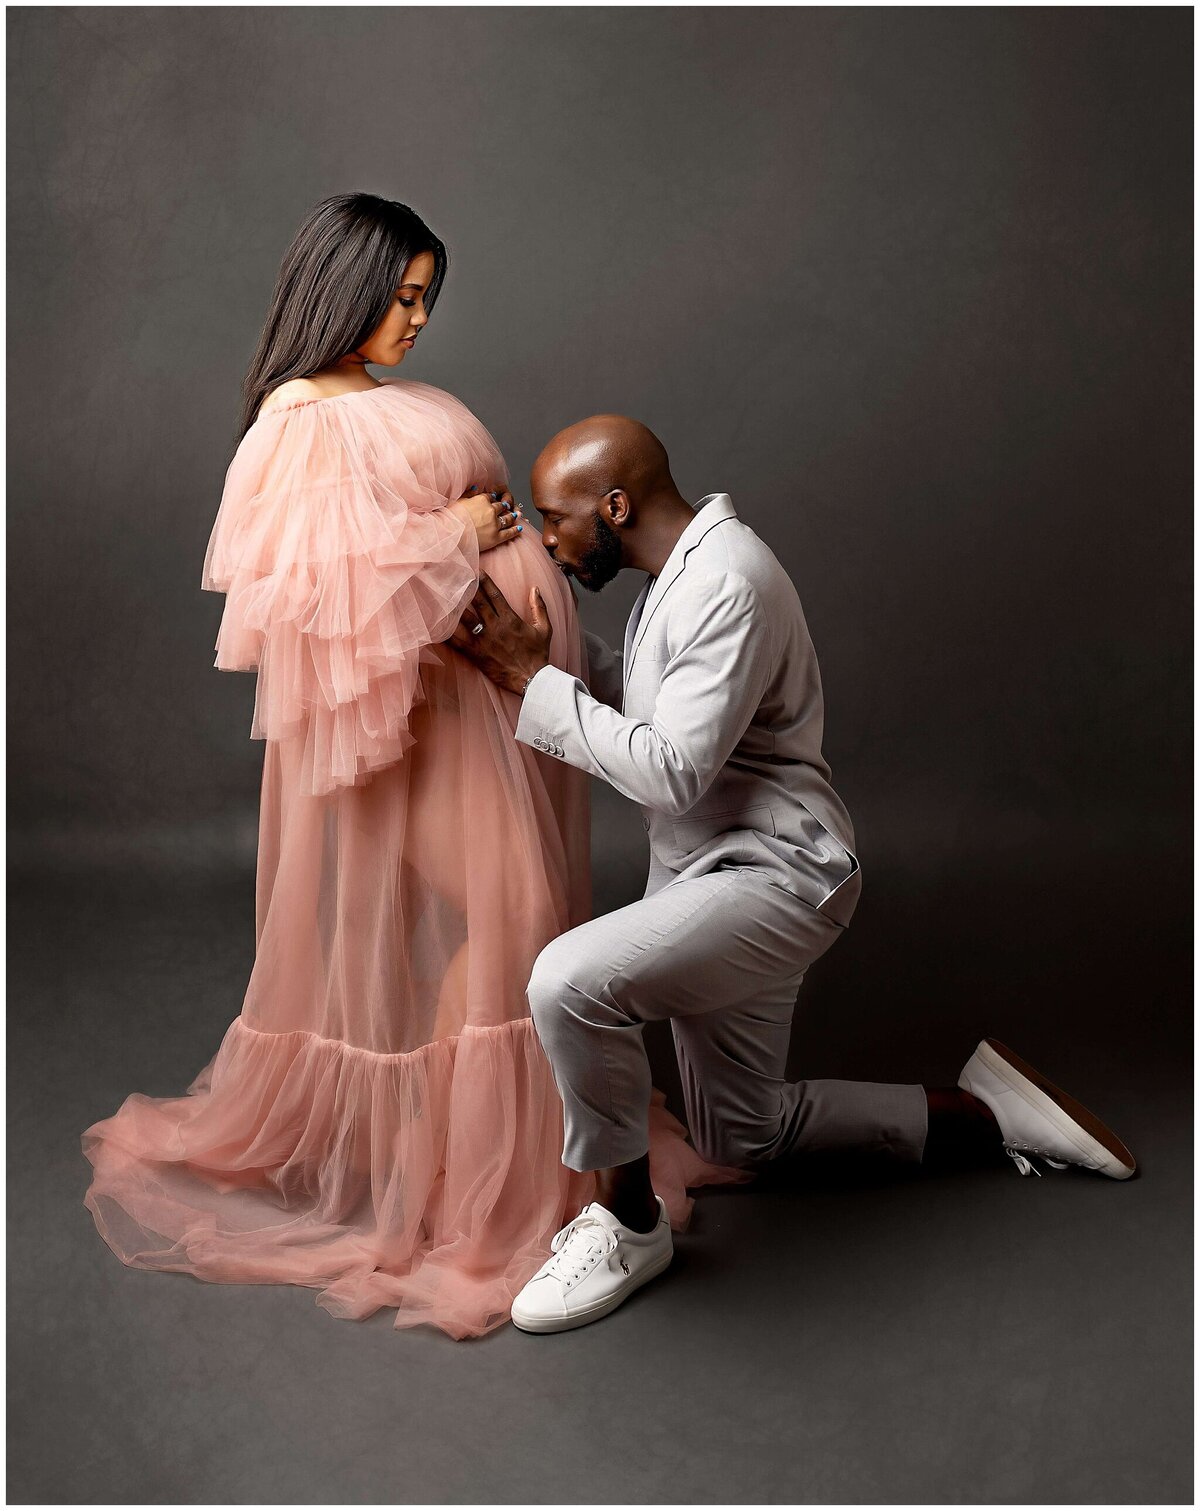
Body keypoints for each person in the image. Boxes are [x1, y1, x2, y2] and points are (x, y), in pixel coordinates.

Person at [79, 195, 744, 1341]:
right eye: (402, 295)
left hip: (493, 700)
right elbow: (310, 588)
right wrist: (460, 537)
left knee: (524, 918)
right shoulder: (297, 418)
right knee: (518, 916)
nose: (420, 317)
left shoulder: (380, 400)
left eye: (429, 296)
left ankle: (508, 1160)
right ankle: (462, 1188)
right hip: (430, 715)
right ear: (343, 286)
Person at [448, 412, 1139, 1334]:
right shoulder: (675, 574)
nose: (546, 536)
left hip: (776, 877)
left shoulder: (729, 579)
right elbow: (657, 701)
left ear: (614, 505)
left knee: (568, 983)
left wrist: (537, 682)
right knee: (743, 1136)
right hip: (712, 874)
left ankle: (626, 1220)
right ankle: (987, 1116)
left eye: (555, 516)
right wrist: (536, 664)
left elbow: (669, 768)